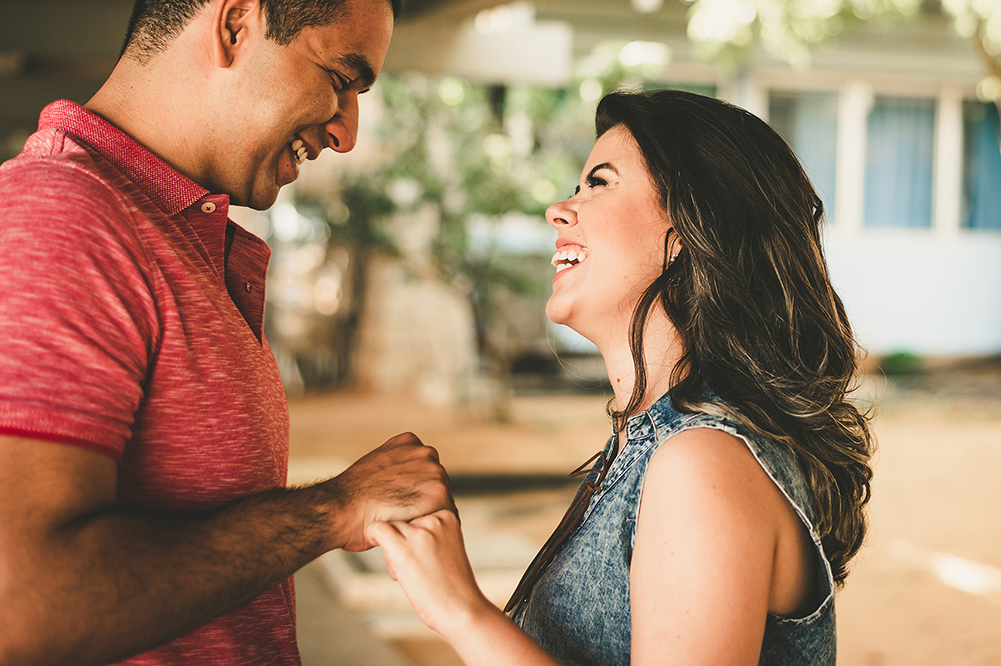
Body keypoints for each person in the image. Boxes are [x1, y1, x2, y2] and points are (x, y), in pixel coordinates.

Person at [0, 0, 452, 666]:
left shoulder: (168, 233)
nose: (348, 131)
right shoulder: (60, 223)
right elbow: (3, 609)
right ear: (236, 24)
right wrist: (330, 511)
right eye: (341, 78)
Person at [371, 89, 875, 666]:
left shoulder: (704, 462)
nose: (558, 209)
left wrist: (462, 612)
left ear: (687, 228)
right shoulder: (653, 445)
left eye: (599, 183)